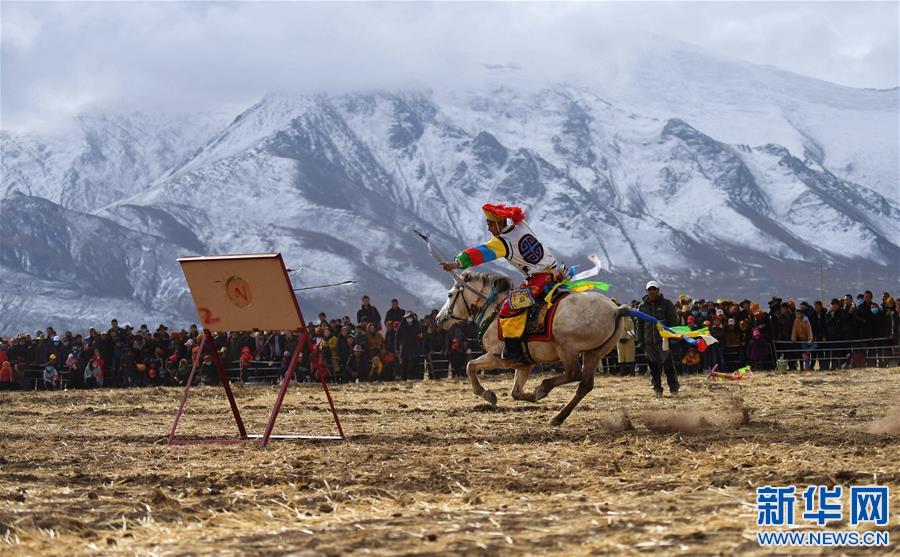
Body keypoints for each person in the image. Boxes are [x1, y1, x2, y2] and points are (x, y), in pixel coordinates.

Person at [442, 203, 561, 363]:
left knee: (508, 307)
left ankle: (515, 353)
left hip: (539, 278)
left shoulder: (502, 242)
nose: (489, 229)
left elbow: (481, 252)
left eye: (491, 224)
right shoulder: (521, 226)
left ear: (499, 223)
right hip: (558, 273)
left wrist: (457, 263)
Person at [635, 281, 679, 396]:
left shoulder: (666, 304)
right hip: (649, 342)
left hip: (664, 341)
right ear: (646, 291)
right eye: (650, 289)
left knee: (669, 366)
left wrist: (673, 336)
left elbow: (674, 321)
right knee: (654, 368)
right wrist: (639, 340)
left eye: (654, 289)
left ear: (658, 290)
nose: (652, 291)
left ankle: (674, 389)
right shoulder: (642, 306)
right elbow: (639, 325)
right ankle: (657, 389)